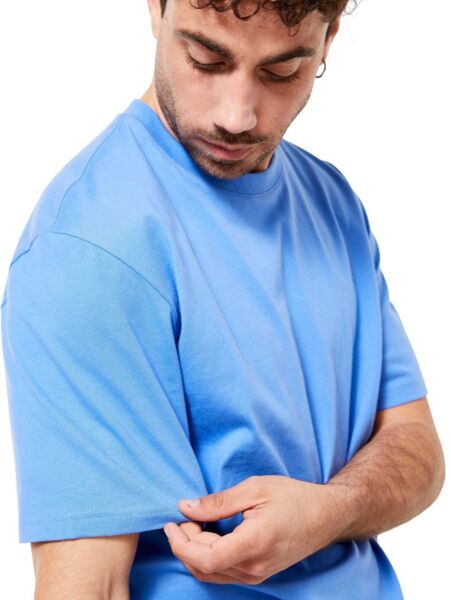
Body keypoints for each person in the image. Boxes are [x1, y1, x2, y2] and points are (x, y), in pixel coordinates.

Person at [0, 0, 445, 598]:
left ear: (330, 37)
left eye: (282, 71)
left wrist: (327, 511)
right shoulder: (88, 245)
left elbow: (416, 446)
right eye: (206, 59)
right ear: (155, 9)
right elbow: (88, 586)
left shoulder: (332, 201)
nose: (237, 116)